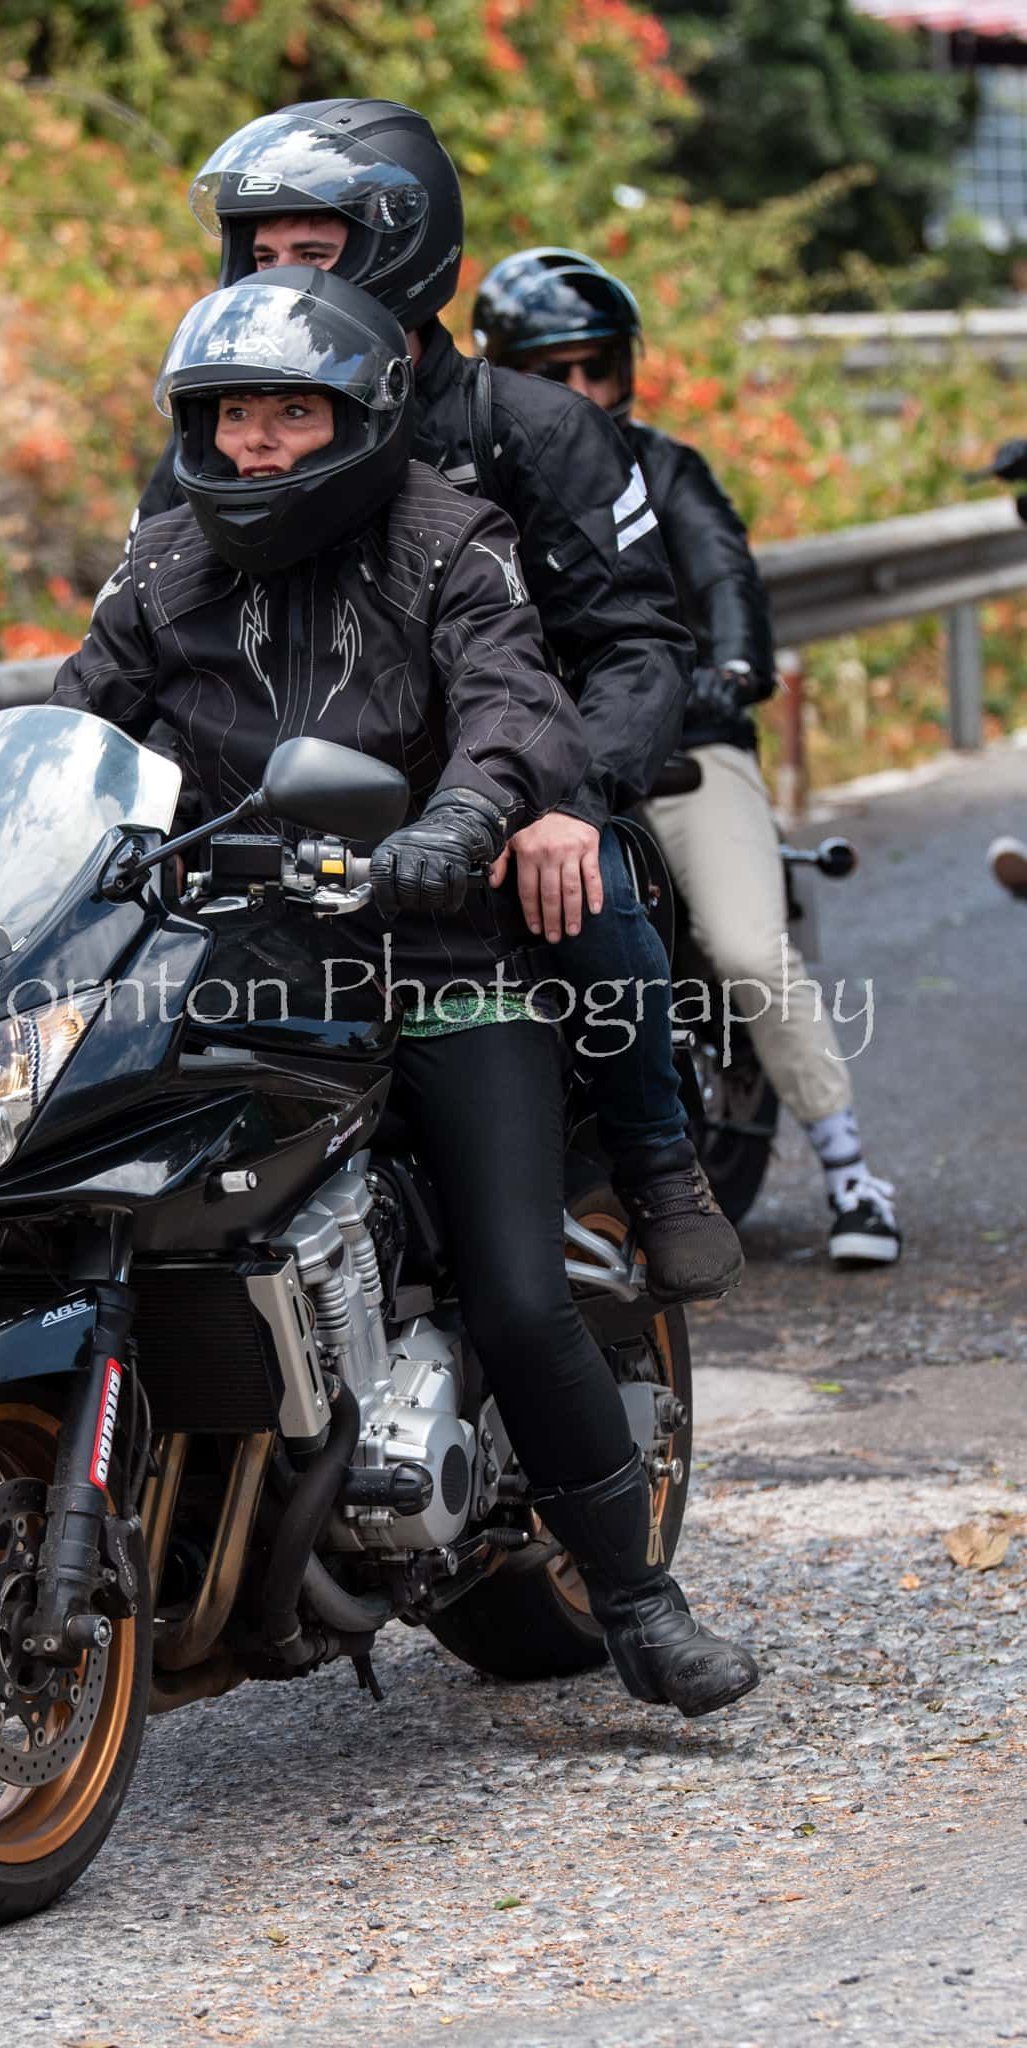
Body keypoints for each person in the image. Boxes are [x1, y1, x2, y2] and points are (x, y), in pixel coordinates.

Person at [54, 265, 760, 1718]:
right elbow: (76, 718)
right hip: (228, 953)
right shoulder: (167, 561)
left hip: (437, 960)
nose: (254, 445)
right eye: (230, 414)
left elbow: (512, 700)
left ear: (361, 416)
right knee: (92, 1190)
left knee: (513, 1283)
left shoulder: (448, 538)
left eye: (288, 415)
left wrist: (458, 825)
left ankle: (632, 1598)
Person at [129, 99, 743, 1309]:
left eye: (317, 252)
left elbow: (634, 648)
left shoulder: (535, 430)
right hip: (290, 803)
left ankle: (661, 1168)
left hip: (518, 789)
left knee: (583, 876)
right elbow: (151, 646)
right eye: (263, 257)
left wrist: (566, 798)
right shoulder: (222, 427)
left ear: (401, 249)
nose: (285, 278)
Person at [477, 247, 902, 1266]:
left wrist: (734, 666)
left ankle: (852, 1175)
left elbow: (721, 574)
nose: (578, 390)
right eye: (550, 369)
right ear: (499, 370)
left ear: (625, 368)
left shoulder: (666, 467)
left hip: (682, 748)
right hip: (529, 766)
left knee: (753, 949)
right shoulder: (470, 477)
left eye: (596, 367)